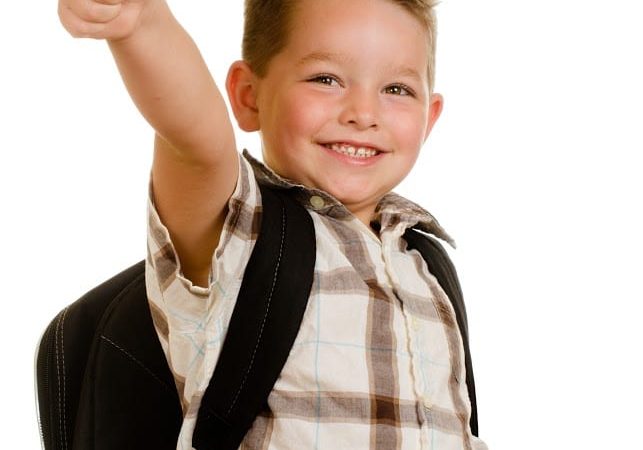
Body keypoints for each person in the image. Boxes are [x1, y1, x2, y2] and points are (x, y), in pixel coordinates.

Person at [58, 0, 488, 448]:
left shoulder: (428, 265)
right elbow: (196, 140)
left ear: (429, 117)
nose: (364, 113)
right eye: (326, 79)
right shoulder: (243, 232)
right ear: (248, 96)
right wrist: (142, 22)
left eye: (397, 89)